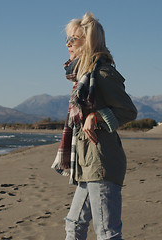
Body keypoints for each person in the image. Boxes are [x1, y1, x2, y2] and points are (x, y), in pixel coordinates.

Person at [51, 12, 137, 240]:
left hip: (102, 161)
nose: (68, 44)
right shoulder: (83, 75)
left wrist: (97, 116)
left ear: (88, 42)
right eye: (67, 39)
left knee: (107, 232)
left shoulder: (102, 73)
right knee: (74, 225)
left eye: (74, 39)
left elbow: (128, 111)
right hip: (87, 162)